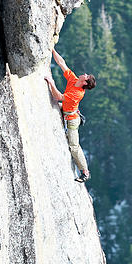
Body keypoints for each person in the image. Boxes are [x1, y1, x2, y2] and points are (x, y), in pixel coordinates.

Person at [44, 47, 96, 182]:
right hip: (66, 110)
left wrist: (51, 83)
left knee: (74, 146)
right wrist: (52, 50)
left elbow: (58, 96)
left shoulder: (77, 94)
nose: (84, 74)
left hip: (72, 119)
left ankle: (85, 171)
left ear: (85, 82)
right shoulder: (74, 80)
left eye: (87, 76)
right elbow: (62, 64)